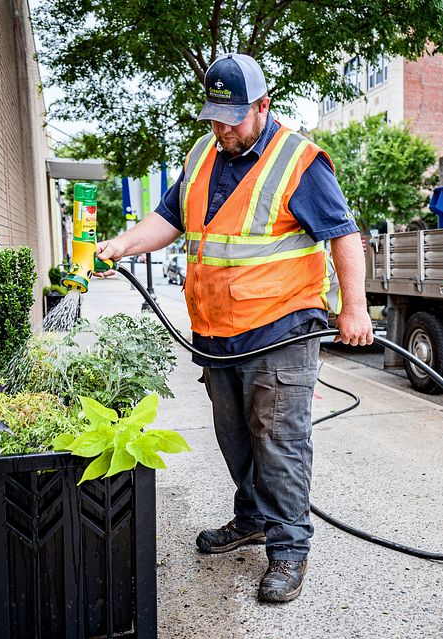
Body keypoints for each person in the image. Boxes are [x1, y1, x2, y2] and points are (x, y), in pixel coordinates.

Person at [95, 53, 373, 603]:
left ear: (263, 107)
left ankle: (289, 551)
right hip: (218, 333)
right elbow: (169, 218)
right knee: (236, 438)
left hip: (282, 328)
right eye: (215, 117)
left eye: (233, 118)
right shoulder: (204, 152)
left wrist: (354, 308)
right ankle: (250, 519)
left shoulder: (299, 161)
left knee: (279, 441)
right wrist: (123, 243)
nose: (222, 128)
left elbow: (343, 235)